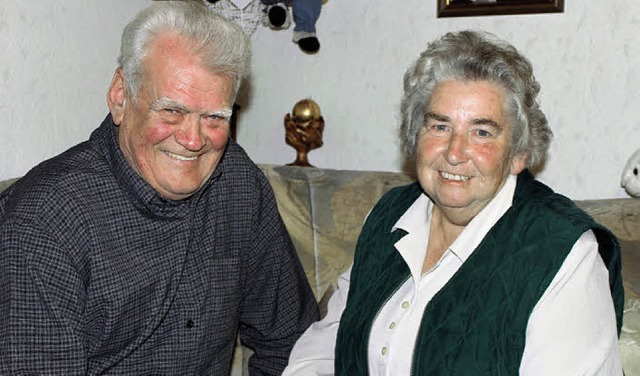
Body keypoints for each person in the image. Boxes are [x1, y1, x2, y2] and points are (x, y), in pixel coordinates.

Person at [0, 2, 318, 374]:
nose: (194, 139)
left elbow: (292, 342)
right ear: (121, 96)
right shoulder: (45, 222)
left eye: (214, 117)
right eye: (172, 111)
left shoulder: (238, 183)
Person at [283, 30, 624, 375]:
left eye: (482, 132)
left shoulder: (564, 254)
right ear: (415, 134)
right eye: (440, 126)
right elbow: (325, 346)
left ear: (519, 153)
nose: (455, 152)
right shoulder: (389, 217)